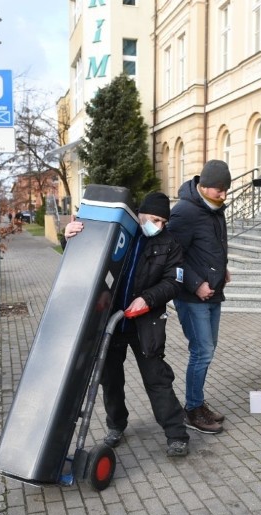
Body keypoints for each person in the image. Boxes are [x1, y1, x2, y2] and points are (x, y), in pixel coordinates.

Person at [63, 192, 190, 457]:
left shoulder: (169, 244)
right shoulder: (118, 232)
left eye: (164, 222)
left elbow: (174, 282)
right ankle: (116, 426)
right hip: (109, 321)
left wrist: (147, 298)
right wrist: (70, 238)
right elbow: (82, 258)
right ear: (141, 214)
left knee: (157, 379)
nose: (160, 225)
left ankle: (176, 434)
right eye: (155, 219)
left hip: (145, 322)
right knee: (110, 379)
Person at [167, 159, 232, 435]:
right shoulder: (184, 212)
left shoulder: (215, 209)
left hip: (214, 293)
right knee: (202, 350)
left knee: (209, 348)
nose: (224, 195)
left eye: (226, 190)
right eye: (219, 190)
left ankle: (197, 402)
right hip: (193, 297)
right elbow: (172, 256)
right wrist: (196, 284)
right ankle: (192, 410)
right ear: (204, 186)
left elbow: (211, 247)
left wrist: (223, 269)